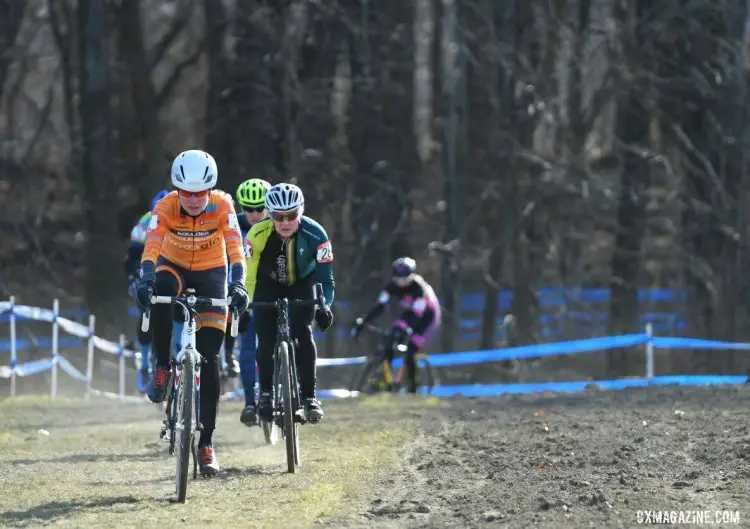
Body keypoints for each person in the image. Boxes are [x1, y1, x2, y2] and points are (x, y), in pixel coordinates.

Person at [135, 149, 250, 476]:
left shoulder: (223, 205)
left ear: (210, 190)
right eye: (188, 193)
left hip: (212, 272)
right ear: (178, 189)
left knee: (211, 359)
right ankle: (160, 365)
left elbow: (235, 247)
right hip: (173, 268)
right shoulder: (165, 206)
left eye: (201, 193)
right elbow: (153, 245)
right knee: (160, 293)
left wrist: (238, 285)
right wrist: (145, 278)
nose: (195, 200)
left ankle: (206, 444)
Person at [244, 183, 335, 425]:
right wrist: (246, 304)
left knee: (303, 333)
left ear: (301, 212)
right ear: (269, 214)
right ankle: (264, 393)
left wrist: (326, 306)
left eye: (291, 216)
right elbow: (249, 276)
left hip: (302, 284)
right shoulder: (256, 234)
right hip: (267, 284)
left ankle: (309, 396)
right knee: (265, 338)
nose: (285, 222)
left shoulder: (317, 235)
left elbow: (326, 279)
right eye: (278, 216)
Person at [350, 257, 441, 394]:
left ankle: (413, 386)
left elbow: (417, 314)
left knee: (411, 349)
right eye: (398, 279)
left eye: (405, 279)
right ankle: (388, 379)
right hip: (410, 313)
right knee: (390, 339)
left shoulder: (419, 289)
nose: (401, 282)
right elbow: (379, 306)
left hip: (427, 318)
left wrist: (408, 331)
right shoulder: (392, 286)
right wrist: (364, 321)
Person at [231, 178, 272, 427]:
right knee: (247, 350)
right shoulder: (233, 224)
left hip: (272, 290)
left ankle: (291, 387)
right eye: (249, 208)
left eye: (260, 208)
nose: (255, 214)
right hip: (245, 293)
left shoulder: (279, 222)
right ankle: (249, 403)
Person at [124, 189, 169, 393]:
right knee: (146, 317)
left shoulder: (181, 221)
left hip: (170, 271)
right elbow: (132, 256)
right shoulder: (143, 223)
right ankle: (143, 364)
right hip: (148, 272)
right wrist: (133, 278)